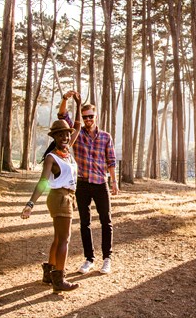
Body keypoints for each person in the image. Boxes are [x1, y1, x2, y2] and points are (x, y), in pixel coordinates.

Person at [21, 93, 82, 293]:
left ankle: (49, 273)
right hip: (59, 198)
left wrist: (79, 104)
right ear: (54, 138)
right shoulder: (52, 157)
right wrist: (30, 204)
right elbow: (43, 182)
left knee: (58, 238)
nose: (65, 137)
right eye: (60, 135)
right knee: (65, 239)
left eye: (66, 134)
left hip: (66, 198)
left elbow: (78, 126)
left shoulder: (67, 150)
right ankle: (59, 279)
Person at [58, 90, 118, 275]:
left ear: (96, 116)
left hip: (101, 184)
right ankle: (89, 259)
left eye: (91, 116)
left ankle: (107, 258)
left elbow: (111, 161)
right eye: (85, 117)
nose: (88, 120)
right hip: (82, 184)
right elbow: (62, 116)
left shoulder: (106, 137)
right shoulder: (76, 133)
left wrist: (114, 181)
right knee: (85, 222)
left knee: (106, 221)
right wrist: (65, 99)